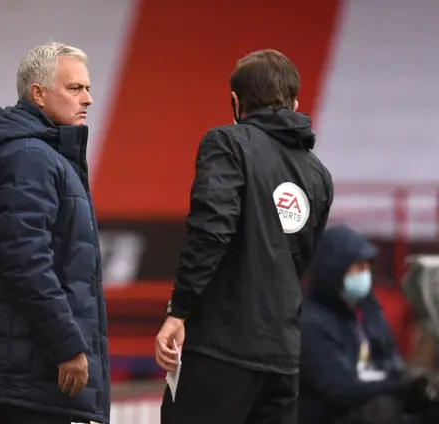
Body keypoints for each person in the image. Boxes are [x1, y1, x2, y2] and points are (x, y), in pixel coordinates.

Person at [155, 49, 334, 424]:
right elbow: (302, 257)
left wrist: (179, 310)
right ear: (294, 102)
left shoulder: (227, 143)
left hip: (221, 350)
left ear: (236, 103)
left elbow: (211, 231)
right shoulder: (319, 173)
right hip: (283, 357)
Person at [0, 41, 109, 424]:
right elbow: (27, 262)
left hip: (22, 367)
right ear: (38, 94)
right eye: (75, 88)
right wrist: (68, 345)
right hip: (28, 372)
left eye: (87, 87)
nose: (89, 99)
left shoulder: (32, 153)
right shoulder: (30, 156)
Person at [299, 225, 435, 424]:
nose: (365, 275)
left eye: (367, 267)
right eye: (357, 267)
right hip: (336, 414)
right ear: (334, 270)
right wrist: (396, 387)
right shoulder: (311, 324)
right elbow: (338, 389)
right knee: (383, 411)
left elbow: (391, 363)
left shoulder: (368, 312)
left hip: (377, 401)